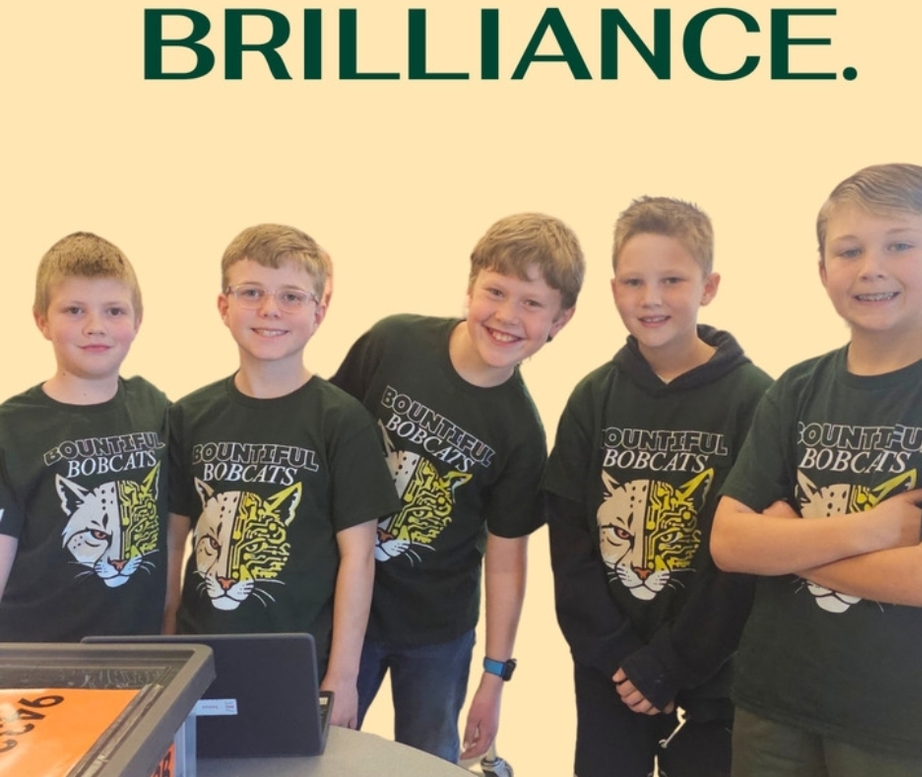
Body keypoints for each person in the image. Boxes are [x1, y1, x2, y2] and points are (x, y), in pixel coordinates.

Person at [711, 163, 922, 776]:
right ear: (823, 269)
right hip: (773, 705)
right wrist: (878, 529)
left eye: (900, 245)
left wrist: (786, 544)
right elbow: (728, 541)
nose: (870, 267)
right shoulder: (796, 389)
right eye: (848, 250)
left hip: (904, 722)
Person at [330, 212, 584, 763]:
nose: (507, 316)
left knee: (430, 761)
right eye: (496, 291)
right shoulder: (392, 342)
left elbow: (507, 557)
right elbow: (325, 445)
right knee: (321, 751)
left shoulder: (521, 434)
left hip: (437, 633)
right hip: (344, 608)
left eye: (532, 303)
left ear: (559, 321)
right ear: (470, 287)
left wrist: (494, 676)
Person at [544, 197, 772, 777]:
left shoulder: (756, 400)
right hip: (608, 672)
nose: (651, 299)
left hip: (712, 677)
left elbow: (749, 557)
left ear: (709, 285)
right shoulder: (592, 398)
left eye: (672, 280)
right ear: (614, 289)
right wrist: (621, 660)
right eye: (634, 282)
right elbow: (569, 544)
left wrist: (673, 662)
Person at [165, 224, 399, 728]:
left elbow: (358, 558)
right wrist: (164, 648)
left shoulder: (342, 421)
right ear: (224, 306)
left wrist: (343, 675)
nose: (270, 309)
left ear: (319, 311)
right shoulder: (188, 415)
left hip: (300, 662)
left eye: (291, 296)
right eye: (251, 292)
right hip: (196, 657)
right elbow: (172, 543)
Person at [0, 232, 169, 640]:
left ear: (137, 321)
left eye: (114, 311)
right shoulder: (12, 428)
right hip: (35, 661)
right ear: (42, 320)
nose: (96, 327)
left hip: (141, 659)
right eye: (74, 310)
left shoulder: (155, 407)